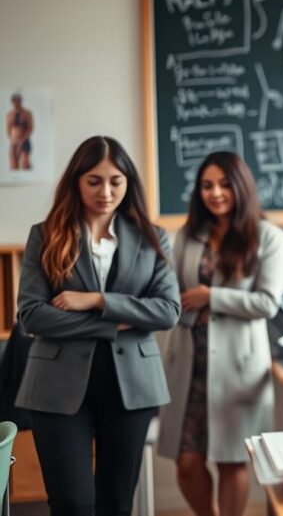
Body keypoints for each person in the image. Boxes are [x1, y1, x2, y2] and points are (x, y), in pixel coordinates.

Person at [15, 136, 180, 515]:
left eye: (115, 181)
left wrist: (97, 301)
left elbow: (168, 311)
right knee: (72, 503)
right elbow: (32, 315)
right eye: (94, 180)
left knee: (117, 503)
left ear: (128, 183)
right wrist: (112, 323)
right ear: (76, 180)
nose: (105, 191)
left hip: (132, 387)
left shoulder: (153, 238)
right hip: (56, 387)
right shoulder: (46, 234)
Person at [158, 152, 283, 516]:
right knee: (186, 461)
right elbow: (173, 292)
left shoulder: (267, 236)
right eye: (207, 185)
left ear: (240, 186)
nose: (216, 193)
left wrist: (210, 296)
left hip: (238, 365)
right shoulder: (187, 235)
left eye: (224, 184)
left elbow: (267, 303)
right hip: (189, 360)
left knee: (231, 460)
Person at [7, 93, 33, 170]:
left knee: (25, 165)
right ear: (12, 102)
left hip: (24, 141)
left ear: (21, 101)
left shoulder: (27, 113)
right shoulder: (9, 114)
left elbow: (30, 128)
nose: (17, 102)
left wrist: (21, 141)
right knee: (13, 167)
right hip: (13, 143)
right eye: (14, 100)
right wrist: (13, 141)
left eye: (18, 100)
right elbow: (8, 130)